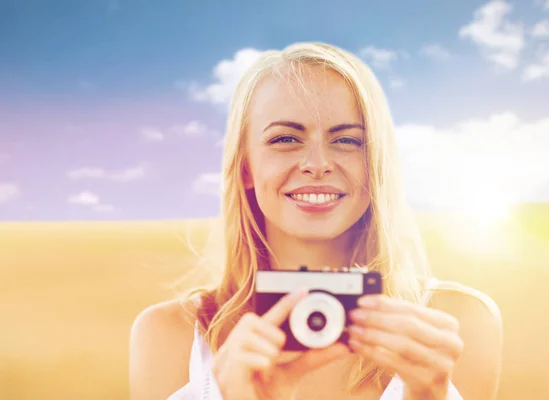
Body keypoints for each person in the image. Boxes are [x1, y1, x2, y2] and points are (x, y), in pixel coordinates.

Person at [129, 42, 503, 400]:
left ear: (376, 164)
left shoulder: (459, 324)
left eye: (348, 141)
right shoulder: (168, 336)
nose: (318, 163)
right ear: (245, 167)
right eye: (286, 139)